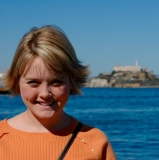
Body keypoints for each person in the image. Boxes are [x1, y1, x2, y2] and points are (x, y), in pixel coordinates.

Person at [0, 25, 116, 160]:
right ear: (16, 82)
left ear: (72, 81)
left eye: (56, 82)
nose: (45, 93)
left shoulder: (95, 143)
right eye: (33, 82)